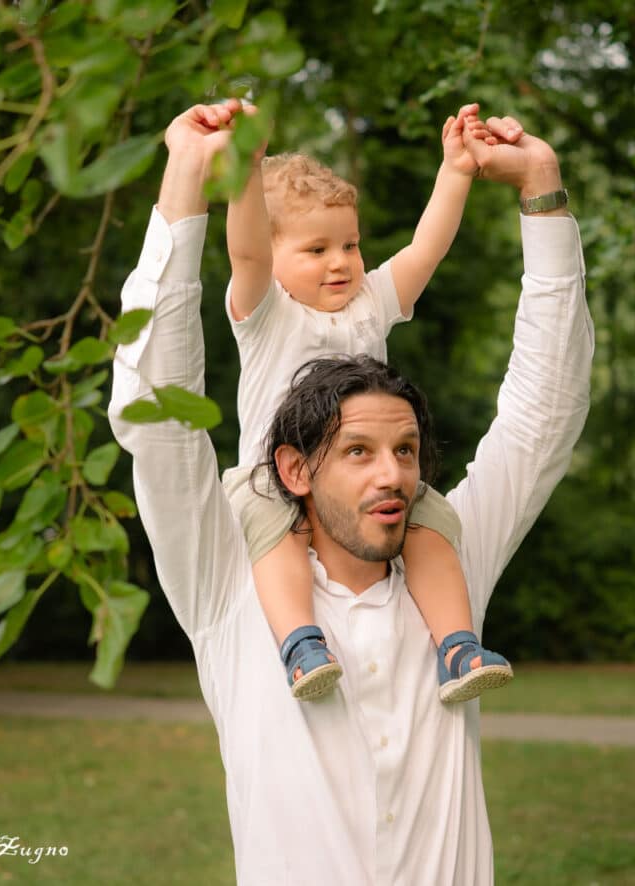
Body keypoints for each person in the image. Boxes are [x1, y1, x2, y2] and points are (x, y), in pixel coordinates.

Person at [109, 98, 592, 885]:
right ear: (296, 470)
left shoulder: (449, 566)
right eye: (359, 451)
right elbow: (157, 412)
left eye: (405, 450)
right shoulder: (229, 585)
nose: (394, 474)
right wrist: (188, 179)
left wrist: (540, 189)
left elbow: (547, 412)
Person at [223, 104, 513, 703]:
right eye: (315, 250)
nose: (340, 261)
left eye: (350, 245)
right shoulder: (266, 315)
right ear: (276, 258)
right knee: (274, 533)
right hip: (274, 477)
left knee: (431, 523)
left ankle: (457, 646)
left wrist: (456, 171)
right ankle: (301, 643)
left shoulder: (370, 302)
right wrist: (245, 172)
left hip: (361, 473)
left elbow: (424, 251)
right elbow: (247, 253)